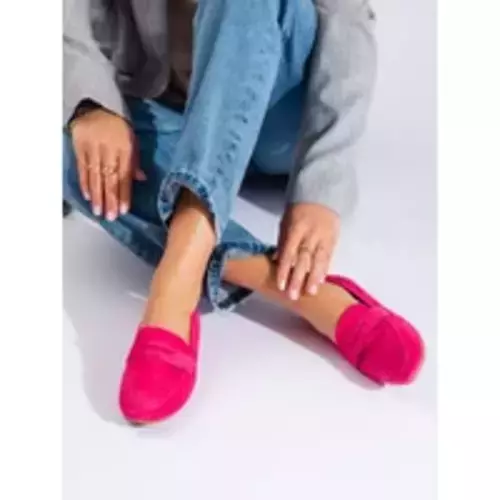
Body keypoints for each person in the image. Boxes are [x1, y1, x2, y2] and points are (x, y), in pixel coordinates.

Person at [63, 0, 424, 425]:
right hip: (174, 117)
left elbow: (348, 20)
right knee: (58, 135)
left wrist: (323, 181)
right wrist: (92, 109)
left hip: (277, 116)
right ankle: (294, 289)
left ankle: (177, 281)